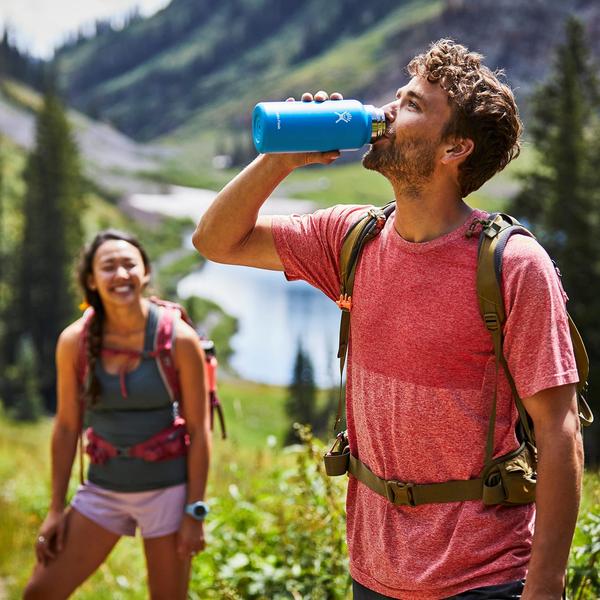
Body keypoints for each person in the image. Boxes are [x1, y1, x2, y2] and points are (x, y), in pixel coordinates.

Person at [192, 39, 583, 600]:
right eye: (398, 97)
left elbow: (559, 428)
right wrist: (282, 157)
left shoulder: (512, 264)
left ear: (455, 149)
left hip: (484, 576)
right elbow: (214, 239)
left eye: (414, 106)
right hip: (373, 572)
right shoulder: (352, 238)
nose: (388, 112)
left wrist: (546, 584)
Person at [24, 230, 211, 600]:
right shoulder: (74, 341)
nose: (121, 274)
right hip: (102, 492)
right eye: (108, 267)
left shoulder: (180, 339)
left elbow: (199, 431)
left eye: (129, 264)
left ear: (144, 273)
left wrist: (194, 512)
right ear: (92, 280)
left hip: (168, 495)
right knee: (39, 593)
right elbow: (65, 428)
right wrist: (55, 509)